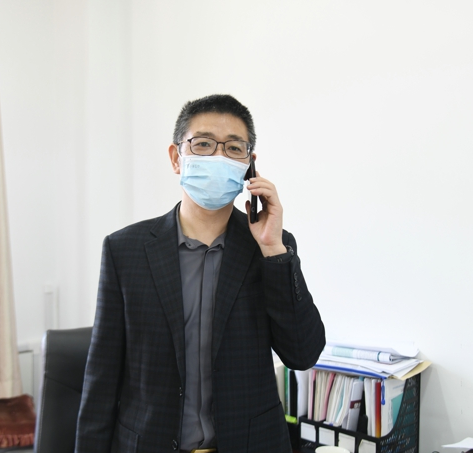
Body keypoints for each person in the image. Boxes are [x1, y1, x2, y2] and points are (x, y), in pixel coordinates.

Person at [75, 94, 325, 453]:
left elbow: (303, 353)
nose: (218, 156)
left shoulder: (272, 247)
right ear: (177, 158)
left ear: (249, 166)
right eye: (204, 144)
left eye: (234, 148)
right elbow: (102, 376)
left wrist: (273, 249)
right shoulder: (124, 250)